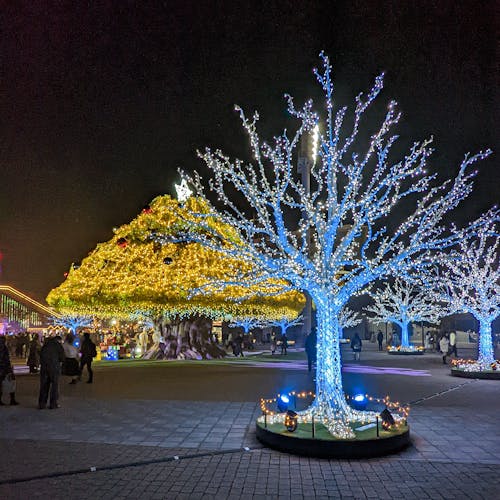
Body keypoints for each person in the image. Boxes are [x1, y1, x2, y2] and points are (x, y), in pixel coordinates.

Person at [38, 335, 65, 409]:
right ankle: (53, 404)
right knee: (54, 386)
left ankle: (42, 403)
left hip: (44, 368)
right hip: (54, 368)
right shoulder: (58, 346)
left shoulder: (45, 346)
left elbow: (40, 355)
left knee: (44, 386)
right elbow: (62, 357)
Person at [0, 336, 19, 406]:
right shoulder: (3, 348)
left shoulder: (4, 347)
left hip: (3, 368)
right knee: (11, 382)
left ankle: (11, 399)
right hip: (4, 368)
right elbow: (5, 360)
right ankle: (12, 399)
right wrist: (9, 369)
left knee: (2, 384)